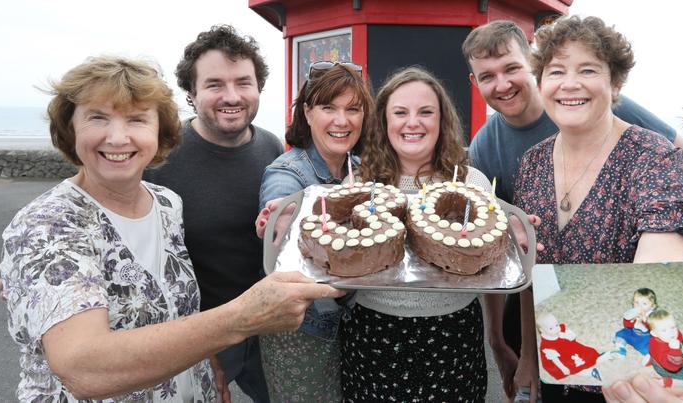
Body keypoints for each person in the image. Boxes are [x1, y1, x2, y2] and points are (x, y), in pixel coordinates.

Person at [0, 56, 343, 402]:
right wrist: (241, 318)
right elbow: (84, 369)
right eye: (97, 117)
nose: (118, 138)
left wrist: (205, 363)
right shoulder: (47, 225)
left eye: (136, 119)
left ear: (160, 132)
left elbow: (176, 308)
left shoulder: (165, 204)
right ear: (69, 129)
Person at [461, 19, 683, 399]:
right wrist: (530, 353)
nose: (570, 83)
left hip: (644, 371)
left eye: (588, 70)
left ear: (615, 84)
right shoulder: (531, 163)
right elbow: (535, 268)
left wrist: (650, 364)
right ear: (543, 81)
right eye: (557, 71)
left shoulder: (653, 157)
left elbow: (665, 247)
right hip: (565, 363)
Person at [143, 25, 283, 402]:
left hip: (268, 325)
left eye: (243, 82)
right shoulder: (158, 157)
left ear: (259, 88)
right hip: (195, 332)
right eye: (215, 84)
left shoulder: (272, 148)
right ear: (191, 93)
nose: (232, 96)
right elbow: (103, 211)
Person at [347, 66, 489, 401]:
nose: (413, 123)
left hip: (453, 335)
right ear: (384, 121)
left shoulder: (472, 184)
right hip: (374, 334)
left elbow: (493, 263)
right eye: (400, 113)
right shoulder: (358, 185)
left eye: (426, 112)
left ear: (443, 120)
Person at [255, 61, 373, 402]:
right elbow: (281, 209)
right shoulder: (287, 171)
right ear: (307, 113)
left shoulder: (364, 167)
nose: (341, 120)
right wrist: (279, 219)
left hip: (355, 323)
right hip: (300, 331)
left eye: (353, 109)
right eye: (328, 107)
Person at [536, 313, 602, 382]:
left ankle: (597, 357)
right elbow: (555, 359)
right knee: (572, 367)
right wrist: (563, 368)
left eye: (556, 325)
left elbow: (572, 337)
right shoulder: (547, 346)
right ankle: (591, 373)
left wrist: (566, 336)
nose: (556, 329)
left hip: (565, 348)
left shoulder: (558, 331)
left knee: (583, 351)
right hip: (558, 361)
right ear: (542, 330)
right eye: (551, 328)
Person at [647, 309, 683, 388]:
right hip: (665, 367)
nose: (671, 332)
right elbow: (673, 368)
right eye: (664, 330)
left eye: (673, 327)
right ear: (654, 334)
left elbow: (681, 340)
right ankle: (665, 382)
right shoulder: (659, 347)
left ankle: (650, 360)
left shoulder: (674, 334)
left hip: (670, 359)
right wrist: (675, 350)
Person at [612, 288, 658, 360]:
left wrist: (644, 321)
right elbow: (627, 326)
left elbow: (655, 329)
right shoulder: (634, 313)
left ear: (652, 306)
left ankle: (650, 358)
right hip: (633, 332)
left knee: (648, 348)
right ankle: (620, 349)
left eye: (644, 304)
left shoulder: (653, 316)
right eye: (636, 303)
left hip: (645, 338)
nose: (639, 306)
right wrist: (630, 319)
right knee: (620, 334)